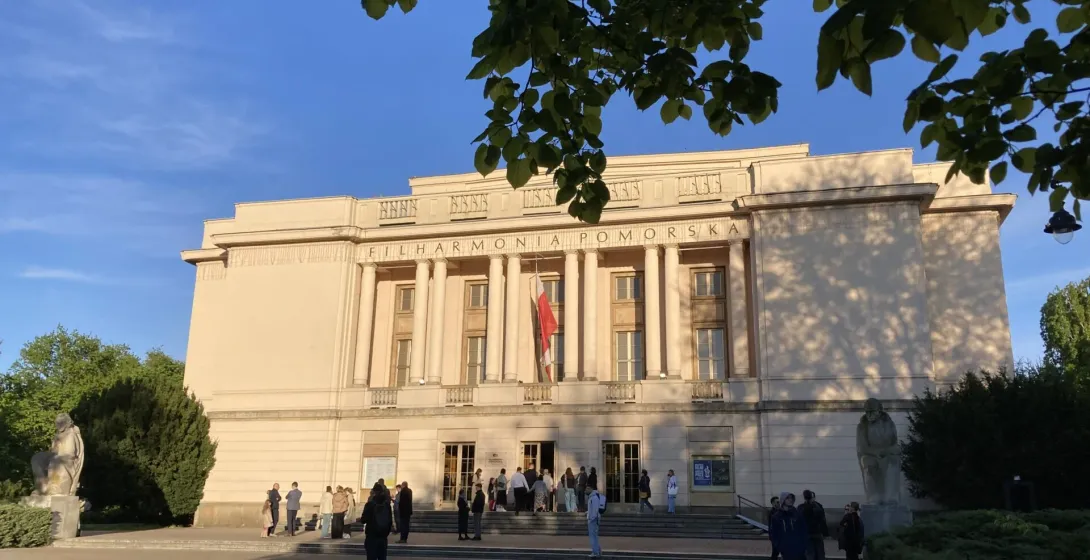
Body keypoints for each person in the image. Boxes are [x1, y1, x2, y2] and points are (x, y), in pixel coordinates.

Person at [770, 492, 808, 560]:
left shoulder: (797, 514)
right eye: (787, 498)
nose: (790, 500)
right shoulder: (776, 517)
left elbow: (804, 530)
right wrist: (780, 547)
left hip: (799, 550)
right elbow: (774, 534)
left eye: (791, 498)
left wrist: (804, 546)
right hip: (786, 551)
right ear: (783, 500)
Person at [362, 482, 392, 560]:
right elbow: (390, 521)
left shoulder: (370, 504)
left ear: (374, 492)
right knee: (382, 557)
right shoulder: (387, 505)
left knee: (371, 557)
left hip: (371, 536)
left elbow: (364, 519)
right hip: (383, 536)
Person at [799, 489, 829, 560]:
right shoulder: (818, 507)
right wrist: (825, 533)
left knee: (812, 553)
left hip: (811, 533)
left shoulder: (801, 507)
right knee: (818, 553)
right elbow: (822, 520)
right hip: (814, 533)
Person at [586, 486, 606, 558]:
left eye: (587, 488)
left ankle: (595, 552)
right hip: (594, 519)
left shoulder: (594, 498)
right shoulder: (593, 497)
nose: (586, 490)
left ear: (591, 489)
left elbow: (595, 510)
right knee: (595, 536)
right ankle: (598, 551)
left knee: (593, 537)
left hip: (593, 520)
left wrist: (591, 519)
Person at [768, 495, 781, 560]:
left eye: (779, 502)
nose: (779, 504)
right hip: (775, 536)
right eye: (777, 502)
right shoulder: (772, 512)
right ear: (773, 503)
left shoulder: (780, 511)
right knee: (775, 552)